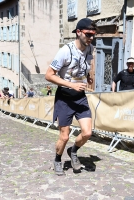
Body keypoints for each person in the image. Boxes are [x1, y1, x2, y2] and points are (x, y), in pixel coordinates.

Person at [45, 18, 96, 175]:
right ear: (79, 32)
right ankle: (57, 160)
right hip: (65, 98)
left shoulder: (90, 48)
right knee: (64, 136)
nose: (91, 38)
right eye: (88, 34)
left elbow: (84, 66)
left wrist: (87, 76)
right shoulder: (65, 51)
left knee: (87, 133)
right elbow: (48, 75)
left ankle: (73, 152)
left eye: (94, 35)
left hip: (80, 97)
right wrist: (72, 85)